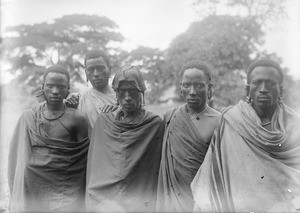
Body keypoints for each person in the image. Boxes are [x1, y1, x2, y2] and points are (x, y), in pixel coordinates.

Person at [191, 59, 300, 212]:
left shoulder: (295, 126)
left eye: (270, 83)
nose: (263, 89)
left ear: (280, 90)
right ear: (248, 90)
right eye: (257, 83)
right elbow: (211, 176)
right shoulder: (229, 121)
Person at [7, 65, 89, 212]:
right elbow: (19, 158)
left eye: (61, 87)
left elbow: (81, 162)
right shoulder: (29, 116)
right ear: (42, 87)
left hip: (66, 189)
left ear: (68, 90)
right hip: (34, 187)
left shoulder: (78, 118)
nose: (55, 91)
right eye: (50, 86)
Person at [85, 66, 164, 212]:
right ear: (116, 94)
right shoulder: (104, 121)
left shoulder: (154, 124)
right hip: (106, 200)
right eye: (122, 92)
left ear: (141, 92)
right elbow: (96, 168)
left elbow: (155, 169)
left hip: (139, 200)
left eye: (132, 92)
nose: (127, 97)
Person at [156, 60, 221, 212]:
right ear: (181, 88)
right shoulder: (170, 117)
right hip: (172, 201)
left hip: (203, 201)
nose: (192, 91)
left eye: (198, 85)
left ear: (209, 87)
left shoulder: (220, 121)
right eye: (186, 85)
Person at [65, 49, 117, 137]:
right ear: (86, 73)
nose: (96, 74)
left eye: (100, 68)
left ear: (109, 70)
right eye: (91, 69)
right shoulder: (78, 99)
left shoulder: (123, 98)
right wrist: (70, 110)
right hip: (90, 150)